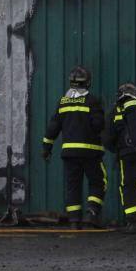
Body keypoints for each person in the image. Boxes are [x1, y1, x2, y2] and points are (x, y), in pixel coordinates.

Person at [42, 66, 106, 229]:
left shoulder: (63, 102)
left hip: (69, 153)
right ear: (88, 83)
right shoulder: (92, 101)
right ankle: (92, 213)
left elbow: (53, 127)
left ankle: (74, 221)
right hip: (91, 152)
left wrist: (46, 148)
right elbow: (98, 125)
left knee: (73, 186)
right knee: (98, 182)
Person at [103, 82, 136, 228]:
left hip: (126, 154)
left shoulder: (115, 111)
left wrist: (117, 149)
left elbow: (107, 138)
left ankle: (132, 217)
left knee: (128, 184)